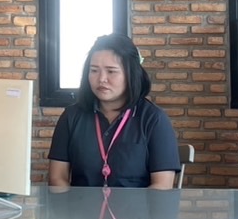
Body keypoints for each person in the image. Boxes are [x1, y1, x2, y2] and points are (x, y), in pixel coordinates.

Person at [49, 33, 180, 190]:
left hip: (136, 206)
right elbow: (57, 178)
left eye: (111, 71)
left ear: (131, 74)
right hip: (81, 206)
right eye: (94, 70)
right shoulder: (71, 117)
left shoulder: (154, 119)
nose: (101, 79)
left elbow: (162, 185)